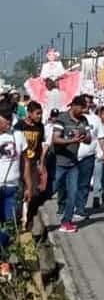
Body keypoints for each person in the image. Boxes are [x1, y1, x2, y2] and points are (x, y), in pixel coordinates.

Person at [52, 96, 91, 233]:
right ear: (74, 105)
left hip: (73, 163)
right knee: (51, 189)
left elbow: (89, 138)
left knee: (73, 193)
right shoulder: (62, 119)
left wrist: (83, 136)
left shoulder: (83, 120)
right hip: (59, 163)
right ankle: (29, 211)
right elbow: (55, 139)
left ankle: (66, 221)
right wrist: (71, 140)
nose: (83, 111)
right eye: (82, 108)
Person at [14, 101, 47, 229]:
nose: (40, 116)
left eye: (41, 113)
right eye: (37, 113)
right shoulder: (19, 126)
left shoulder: (40, 127)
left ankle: (29, 219)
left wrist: (41, 162)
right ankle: (18, 221)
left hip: (33, 163)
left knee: (34, 193)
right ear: (29, 113)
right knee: (20, 192)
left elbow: (42, 145)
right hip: (20, 164)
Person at [0, 103, 32, 235]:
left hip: (12, 188)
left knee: (10, 225)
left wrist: (29, 187)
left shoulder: (18, 135)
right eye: (4, 118)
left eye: (9, 118)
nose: (8, 121)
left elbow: (26, 163)